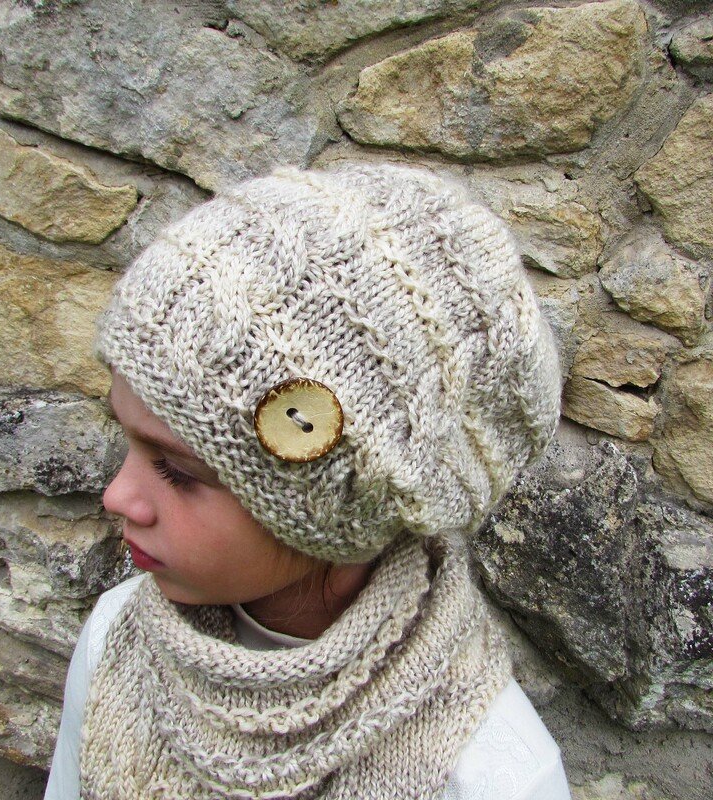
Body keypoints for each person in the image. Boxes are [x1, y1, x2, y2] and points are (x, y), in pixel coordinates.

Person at [44, 162, 571, 799]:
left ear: (342, 512)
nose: (117, 496)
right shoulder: (117, 641)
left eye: (178, 472)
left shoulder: (491, 776)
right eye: (125, 437)